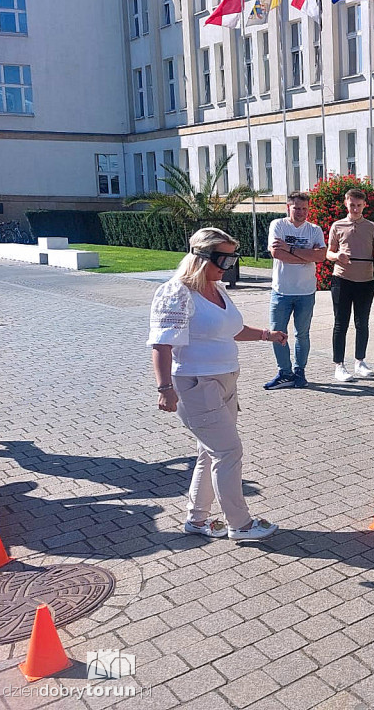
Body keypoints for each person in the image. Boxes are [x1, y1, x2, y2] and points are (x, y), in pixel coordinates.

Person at [148, 228, 285, 541]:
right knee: (228, 452)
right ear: (201, 257)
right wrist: (165, 389)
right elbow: (161, 344)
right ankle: (241, 525)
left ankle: (196, 521)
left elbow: (229, 329)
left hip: (225, 380)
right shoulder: (177, 292)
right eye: (223, 257)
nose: (229, 265)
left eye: (232, 257)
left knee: (210, 453)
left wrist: (266, 335)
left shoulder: (216, 287)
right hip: (196, 384)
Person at [264, 192, 326, 390]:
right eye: (297, 208)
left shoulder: (314, 230)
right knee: (277, 334)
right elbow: (276, 253)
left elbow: (321, 256)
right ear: (288, 207)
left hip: (306, 292)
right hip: (281, 291)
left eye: (305, 209)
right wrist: (307, 256)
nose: (301, 212)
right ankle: (285, 372)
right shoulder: (278, 225)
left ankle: (300, 372)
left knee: (303, 335)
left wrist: (289, 249)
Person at [327, 188, 374, 382]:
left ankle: (360, 362)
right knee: (340, 323)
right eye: (352, 205)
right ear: (346, 203)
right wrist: (337, 257)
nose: (355, 209)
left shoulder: (372, 227)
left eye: (359, 205)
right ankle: (339, 366)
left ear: (364, 205)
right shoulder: (337, 225)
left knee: (362, 323)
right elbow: (329, 253)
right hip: (342, 280)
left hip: (365, 281)